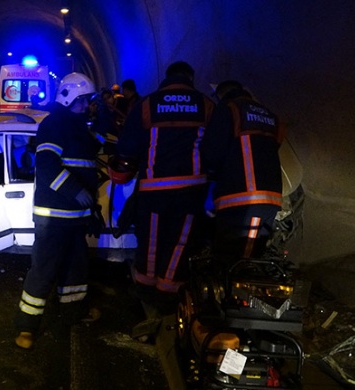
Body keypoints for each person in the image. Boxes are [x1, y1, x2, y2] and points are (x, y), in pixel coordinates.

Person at [115, 61, 215, 311]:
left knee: (150, 242)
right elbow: (217, 148)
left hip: (153, 191)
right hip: (192, 191)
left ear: (166, 78)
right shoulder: (206, 105)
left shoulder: (147, 104)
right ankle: (168, 297)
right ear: (191, 78)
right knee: (180, 243)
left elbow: (127, 146)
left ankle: (145, 292)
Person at [14, 73, 104, 349]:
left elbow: (91, 157)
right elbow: (48, 166)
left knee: (76, 270)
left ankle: (74, 314)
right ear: (69, 98)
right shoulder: (54, 124)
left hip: (75, 218)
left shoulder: (78, 127)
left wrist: (91, 209)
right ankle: (27, 327)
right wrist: (76, 193)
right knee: (44, 270)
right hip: (53, 217)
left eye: (89, 101)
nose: (88, 105)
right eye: (84, 100)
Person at [201, 80, 284, 261]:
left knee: (231, 260)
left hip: (240, 196)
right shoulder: (269, 114)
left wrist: (211, 181)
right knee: (253, 257)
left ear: (220, 95)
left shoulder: (228, 109)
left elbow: (213, 152)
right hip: (271, 196)